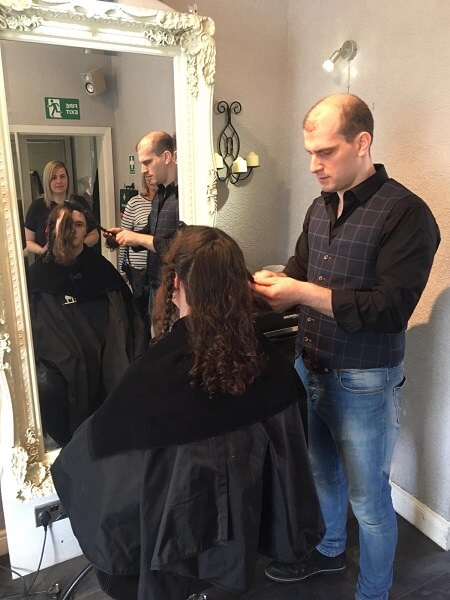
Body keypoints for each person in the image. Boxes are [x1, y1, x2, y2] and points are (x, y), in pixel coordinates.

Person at [51, 225, 324, 600]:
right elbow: (290, 448)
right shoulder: (267, 360)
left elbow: (98, 458)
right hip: (240, 538)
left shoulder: (156, 373)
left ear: (175, 281)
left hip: (174, 546)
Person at [252, 93, 440, 600]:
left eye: (326, 152)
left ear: (363, 142)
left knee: (369, 498)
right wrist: (260, 289)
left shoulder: (407, 214)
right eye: (310, 152)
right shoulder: (320, 208)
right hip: (311, 366)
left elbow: (389, 308)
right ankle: (331, 548)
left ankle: (373, 592)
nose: (314, 165)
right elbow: (298, 273)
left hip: (365, 380)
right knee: (323, 472)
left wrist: (299, 291)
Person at [28, 201, 144, 447]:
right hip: (61, 365)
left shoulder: (101, 269)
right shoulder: (37, 277)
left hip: (104, 357)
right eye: (66, 224)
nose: (73, 230)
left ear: (86, 230)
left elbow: (129, 323)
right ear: (52, 229)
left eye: (79, 224)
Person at [106, 131, 178, 321]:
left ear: (167, 157)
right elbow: (151, 233)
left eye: (147, 162)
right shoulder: (160, 195)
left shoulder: (183, 197)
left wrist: (137, 238)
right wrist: (127, 235)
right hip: (155, 285)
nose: (143, 170)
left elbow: (178, 246)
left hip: (175, 290)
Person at [24, 160, 99, 256]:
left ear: (67, 178)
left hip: (78, 261)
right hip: (48, 263)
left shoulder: (80, 202)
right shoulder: (36, 207)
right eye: (54, 178)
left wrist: (75, 247)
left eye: (62, 176)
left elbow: (94, 235)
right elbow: (29, 241)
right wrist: (42, 251)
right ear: (47, 181)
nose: (59, 181)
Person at [119, 175, 157, 327]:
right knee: (140, 314)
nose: (150, 179)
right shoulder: (134, 203)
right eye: (146, 176)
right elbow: (124, 237)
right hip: (138, 271)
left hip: (158, 269)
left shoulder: (168, 202)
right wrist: (121, 270)